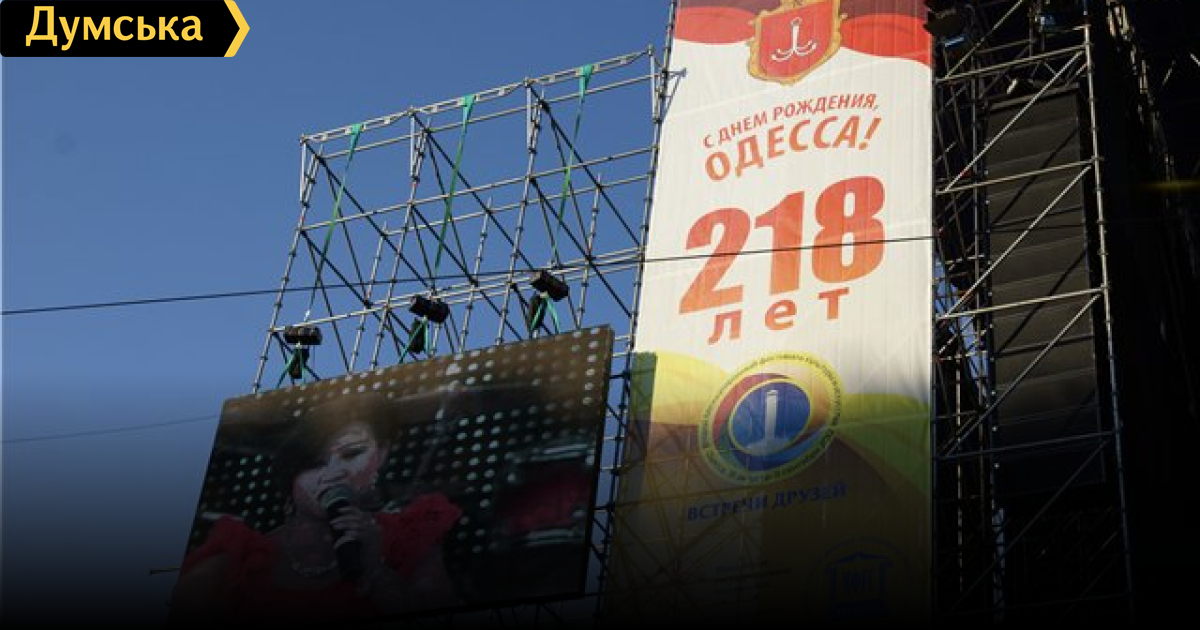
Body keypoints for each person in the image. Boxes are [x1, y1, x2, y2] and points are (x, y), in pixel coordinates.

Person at [167, 391, 463, 626]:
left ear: (382, 454)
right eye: (315, 464)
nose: (334, 473)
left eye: (352, 454)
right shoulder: (238, 558)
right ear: (291, 472)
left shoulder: (408, 537)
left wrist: (375, 571)